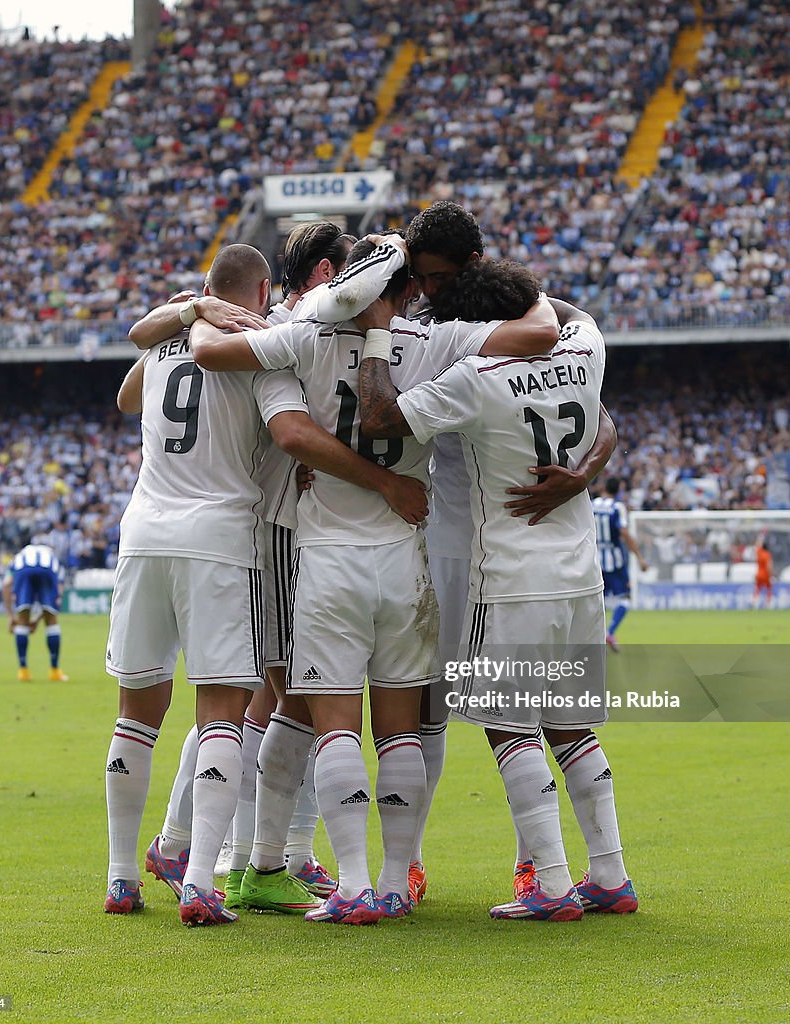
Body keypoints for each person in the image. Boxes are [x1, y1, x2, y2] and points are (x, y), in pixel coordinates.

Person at [186, 234, 560, 924]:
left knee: (334, 728)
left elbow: (211, 353)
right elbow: (541, 331)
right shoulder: (437, 341)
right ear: (404, 288)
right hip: (405, 559)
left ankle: (352, 885)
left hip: (328, 560)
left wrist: (193, 307)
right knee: (400, 733)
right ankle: (392, 882)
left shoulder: (303, 337)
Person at [104, 243, 426, 926]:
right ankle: (205, 871)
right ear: (264, 292)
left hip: (143, 533)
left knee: (138, 712)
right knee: (236, 706)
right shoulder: (265, 347)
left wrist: (180, 316)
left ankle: (124, 873)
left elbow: (127, 395)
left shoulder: (169, 343)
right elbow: (291, 432)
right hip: (232, 536)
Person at [357, 256, 637, 919]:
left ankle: (550, 885)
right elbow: (568, 318)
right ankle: (610, 875)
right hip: (578, 577)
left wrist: (374, 332)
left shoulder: (476, 376)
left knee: (507, 727)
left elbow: (376, 419)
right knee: (571, 729)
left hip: (508, 576)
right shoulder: (585, 344)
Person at [592, 476, 648, 652]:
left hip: (594, 559)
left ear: (604, 488)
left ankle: (591, 639)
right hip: (614, 561)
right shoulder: (617, 507)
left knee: (595, 600)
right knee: (624, 598)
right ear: (618, 491)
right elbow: (624, 532)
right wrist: (639, 557)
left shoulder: (592, 504)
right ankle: (609, 632)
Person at [2, 542, 67, 682]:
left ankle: (23, 671)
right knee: (51, 621)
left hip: (22, 571)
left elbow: (6, 584)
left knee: (22, 620)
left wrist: (11, 616)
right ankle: (54, 671)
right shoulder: (53, 558)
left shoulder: (18, 557)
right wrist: (39, 619)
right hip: (47, 571)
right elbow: (59, 593)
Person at [753, 538, 774, 609]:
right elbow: (769, 566)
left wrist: (760, 537)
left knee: (758, 589)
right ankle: (768, 604)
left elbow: (757, 545)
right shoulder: (767, 554)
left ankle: (754, 602)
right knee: (769, 589)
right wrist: (771, 575)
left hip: (758, 574)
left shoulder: (759, 553)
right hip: (766, 575)